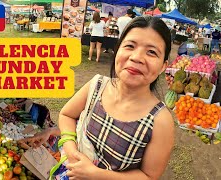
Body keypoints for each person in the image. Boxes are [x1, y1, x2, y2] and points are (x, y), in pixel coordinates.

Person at [57, 16, 174, 179]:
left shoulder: (161, 121)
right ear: (117, 50)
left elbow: (149, 176)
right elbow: (66, 115)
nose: (136, 57)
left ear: (163, 66)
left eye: (152, 52)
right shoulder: (96, 85)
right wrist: (71, 149)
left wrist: (96, 174)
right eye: (130, 46)